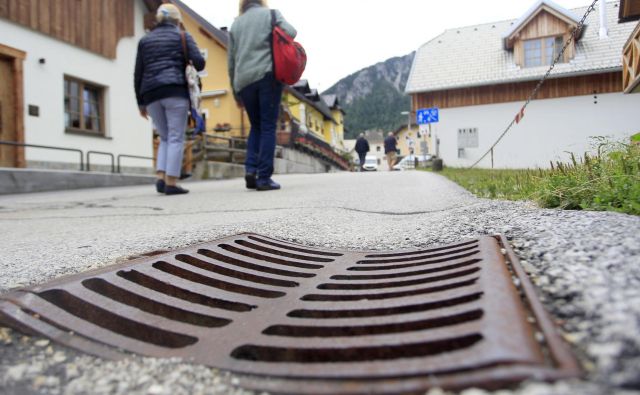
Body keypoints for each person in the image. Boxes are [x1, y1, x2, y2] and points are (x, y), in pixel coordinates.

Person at [134, 4, 205, 195]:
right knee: (175, 137)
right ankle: (171, 182)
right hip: (175, 91)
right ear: (177, 20)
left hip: (150, 94)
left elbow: (138, 73)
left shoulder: (145, 40)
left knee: (164, 137)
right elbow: (199, 62)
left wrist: (140, 103)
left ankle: (160, 177)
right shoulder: (182, 36)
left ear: (158, 19)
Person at [228, 0, 296, 191]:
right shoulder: (271, 15)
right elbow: (291, 32)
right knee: (267, 126)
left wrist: (235, 93)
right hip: (267, 76)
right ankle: (264, 177)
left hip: (243, 82)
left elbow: (231, 62)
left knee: (255, 126)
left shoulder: (236, 24)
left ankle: (250, 170)